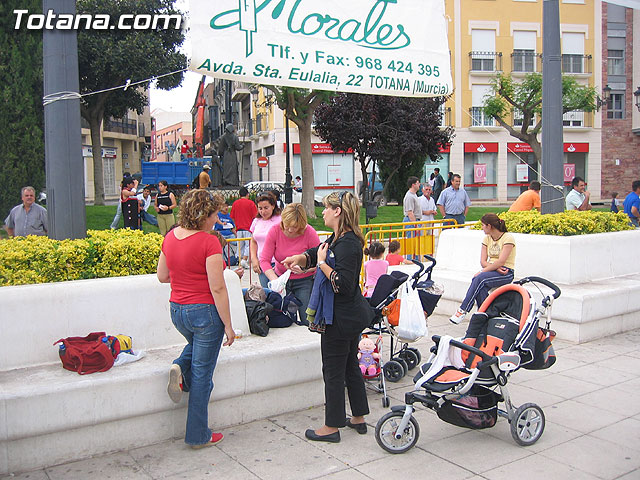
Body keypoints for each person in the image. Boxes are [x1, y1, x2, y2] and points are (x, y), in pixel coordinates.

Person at [282, 191, 373, 443]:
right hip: (348, 316)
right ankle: (358, 416)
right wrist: (302, 258)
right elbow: (319, 250)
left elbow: (342, 284)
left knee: (333, 370)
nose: (322, 212)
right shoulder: (340, 238)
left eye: (325, 208)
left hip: (340, 318)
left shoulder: (348, 244)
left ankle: (331, 427)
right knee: (349, 366)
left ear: (338, 211)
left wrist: (321, 264)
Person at [156, 189, 235, 449]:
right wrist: (228, 325)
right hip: (204, 312)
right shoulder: (209, 242)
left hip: (177, 309)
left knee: (196, 351)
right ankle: (198, 435)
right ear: (203, 215)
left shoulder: (170, 236)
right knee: (203, 376)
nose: (216, 220)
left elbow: (162, 276)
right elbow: (218, 288)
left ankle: (180, 366)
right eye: (214, 215)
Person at [259, 203, 320, 325]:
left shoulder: (310, 233)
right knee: (280, 319)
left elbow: (319, 260)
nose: (291, 230)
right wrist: (275, 280)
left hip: (304, 281)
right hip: (281, 278)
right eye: (287, 226)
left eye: (295, 227)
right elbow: (264, 259)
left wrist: (306, 270)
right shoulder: (275, 231)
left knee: (307, 318)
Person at [450, 213, 516, 324]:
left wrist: (484, 271)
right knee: (481, 287)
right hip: (492, 270)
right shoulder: (487, 239)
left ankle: (463, 310)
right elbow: (483, 261)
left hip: (506, 272)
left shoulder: (508, 238)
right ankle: (486, 315)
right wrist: (493, 268)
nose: (482, 227)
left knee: (479, 279)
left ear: (489, 226)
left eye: (483, 225)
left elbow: (501, 262)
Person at [249, 192, 282, 288]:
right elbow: (253, 241)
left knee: (277, 290)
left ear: (273, 206)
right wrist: (254, 259)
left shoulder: (280, 220)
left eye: (266, 208)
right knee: (266, 292)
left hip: (276, 262)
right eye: (260, 208)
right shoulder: (256, 221)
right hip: (261, 263)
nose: (263, 211)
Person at [230, 187, 257, 269]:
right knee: (248, 245)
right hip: (248, 227)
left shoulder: (235, 203)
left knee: (239, 245)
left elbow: (232, 216)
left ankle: (239, 260)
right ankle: (244, 260)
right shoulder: (251, 203)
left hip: (239, 228)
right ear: (247, 194)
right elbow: (255, 216)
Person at [402, 176, 422, 260]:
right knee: (411, 243)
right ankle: (411, 260)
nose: (419, 185)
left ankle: (416, 259)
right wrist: (415, 225)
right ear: (413, 185)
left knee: (416, 243)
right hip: (411, 221)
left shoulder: (414, 195)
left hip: (415, 220)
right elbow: (410, 213)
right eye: (418, 183)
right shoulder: (409, 196)